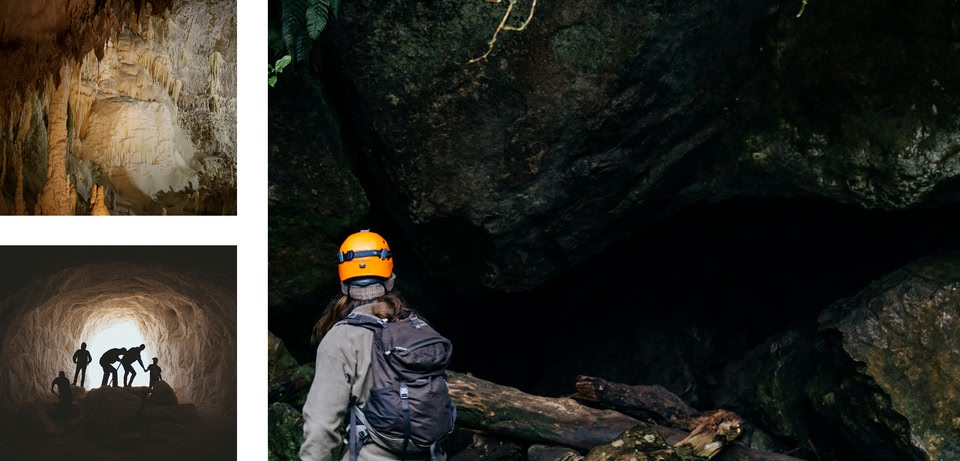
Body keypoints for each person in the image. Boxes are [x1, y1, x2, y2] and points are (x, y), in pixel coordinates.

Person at [300, 230, 446, 461]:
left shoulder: (341, 339)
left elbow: (320, 427)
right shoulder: (417, 326)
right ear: (390, 278)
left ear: (342, 282)